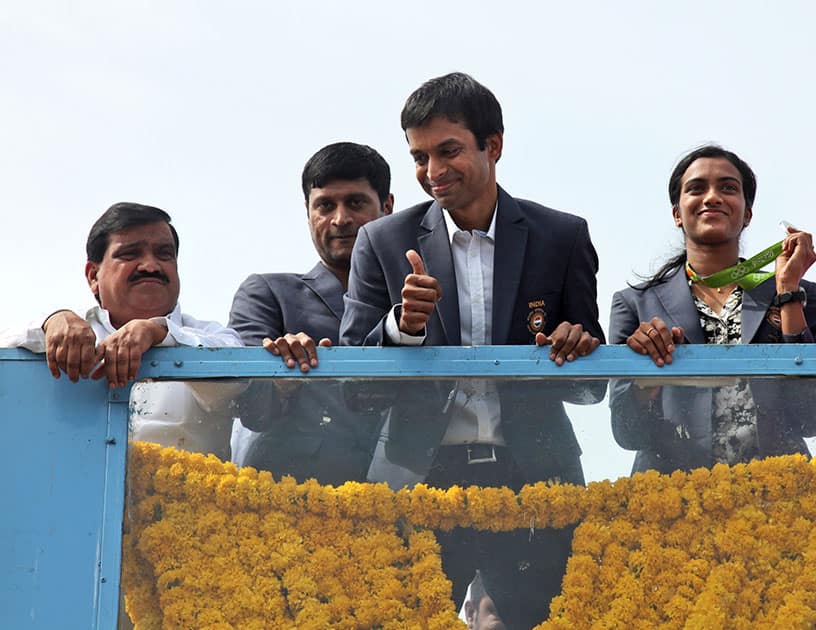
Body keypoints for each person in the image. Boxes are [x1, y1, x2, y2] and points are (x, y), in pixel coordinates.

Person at [339, 72, 604, 627]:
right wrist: (401, 327)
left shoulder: (563, 235)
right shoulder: (383, 240)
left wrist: (577, 345)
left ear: (495, 146)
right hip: (415, 478)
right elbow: (354, 387)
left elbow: (591, 385)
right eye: (418, 156)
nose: (432, 172)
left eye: (448, 151)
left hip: (536, 479)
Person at [610, 145, 816, 474]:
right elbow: (626, 432)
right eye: (697, 188)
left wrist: (787, 292)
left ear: (747, 214)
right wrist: (647, 380)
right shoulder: (635, 304)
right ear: (677, 213)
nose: (712, 197)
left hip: (780, 504)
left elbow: (815, 419)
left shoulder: (799, 294)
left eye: (728, 188)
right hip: (674, 501)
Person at [0, 202, 243, 456]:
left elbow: (241, 382)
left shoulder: (212, 337)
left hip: (188, 495)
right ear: (93, 276)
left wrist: (158, 332)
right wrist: (51, 320)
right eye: (130, 254)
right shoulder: (71, 330)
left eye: (164, 254)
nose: (151, 266)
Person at [227, 142, 394, 483]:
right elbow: (252, 408)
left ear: (388, 207)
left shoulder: (413, 303)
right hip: (296, 503)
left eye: (356, 202)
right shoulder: (268, 294)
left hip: (410, 500)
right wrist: (280, 376)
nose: (341, 219)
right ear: (308, 211)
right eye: (325, 205)